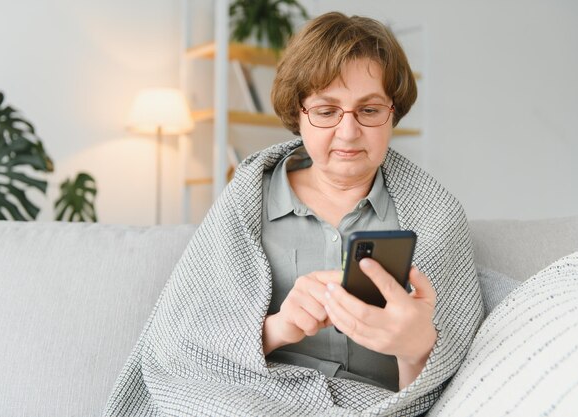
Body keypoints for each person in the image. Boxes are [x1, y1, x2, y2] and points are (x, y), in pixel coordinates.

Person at [105, 12, 483, 417]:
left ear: (394, 112)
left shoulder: (436, 218)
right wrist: (277, 328)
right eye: (326, 111)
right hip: (252, 402)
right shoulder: (247, 202)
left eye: (370, 110)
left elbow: (453, 390)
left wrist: (415, 348)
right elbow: (181, 345)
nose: (349, 131)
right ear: (299, 113)